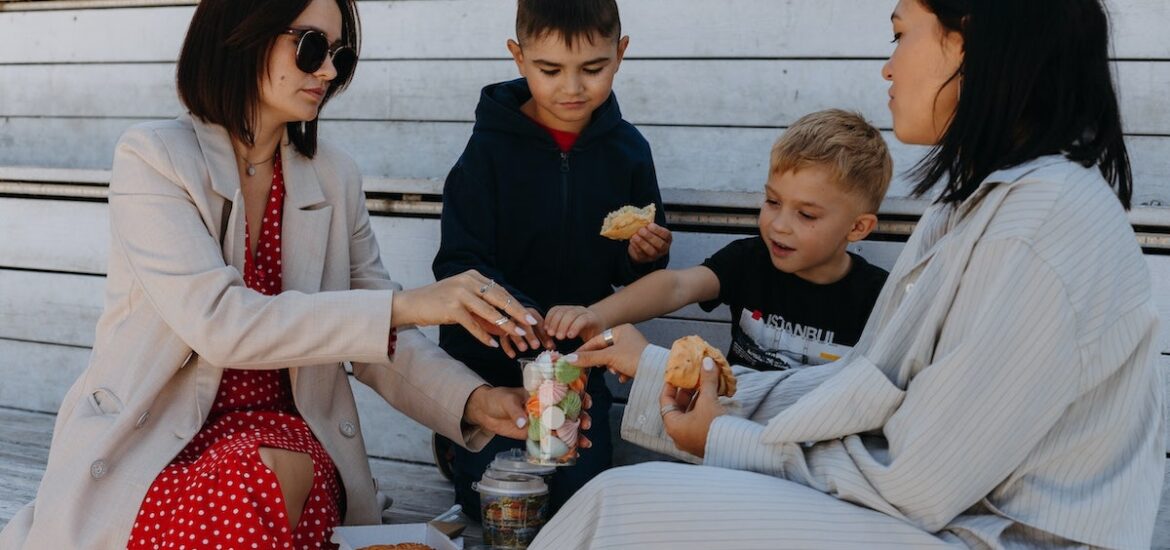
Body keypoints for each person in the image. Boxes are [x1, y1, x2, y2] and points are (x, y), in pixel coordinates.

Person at [533, 0, 1165, 548]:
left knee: (617, 508)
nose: (888, 67)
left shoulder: (1040, 225)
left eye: (900, 34)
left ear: (970, 39)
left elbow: (916, 476)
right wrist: (655, 371)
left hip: (974, 533)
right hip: (941, 522)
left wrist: (724, 437)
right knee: (617, 503)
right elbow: (867, 395)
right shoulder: (983, 207)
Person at [0, 0, 541, 547]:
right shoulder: (153, 160)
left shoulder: (334, 176)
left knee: (260, 473)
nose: (327, 72)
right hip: (153, 444)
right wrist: (415, 303)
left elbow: (384, 343)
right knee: (246, 489)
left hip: (284, 442)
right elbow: (222, 324)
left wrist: (475, 401)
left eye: (339, 57)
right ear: (243, 33)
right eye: (310, 48)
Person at [431, 0, 672, 519]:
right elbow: (458, 265)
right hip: (491, 375)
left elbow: (629, 280)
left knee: (579, 509)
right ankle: (455, 448)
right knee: (499, 509)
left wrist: (642, 259)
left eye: (593, 68)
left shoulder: (628, 152)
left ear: (621, 54)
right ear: (518, 58)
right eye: (550, 70)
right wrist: (520, 318)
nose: (572, 88)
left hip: (580, 378)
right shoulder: (486, 156)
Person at [546, 109, 892, 372]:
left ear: (858, 227)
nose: (779, 225)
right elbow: (677, 286)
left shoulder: (879, 299)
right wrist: (595, 315)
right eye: (772, 202)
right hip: (726, 431)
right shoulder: (750, 259)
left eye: (807, 215)